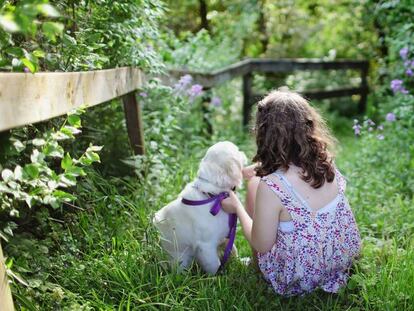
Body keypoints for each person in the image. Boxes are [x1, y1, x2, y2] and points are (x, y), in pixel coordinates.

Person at [222, 89, 361, 296]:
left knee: (254, 185)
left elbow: (262, 244)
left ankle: (256, 265)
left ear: (264, 133)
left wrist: (238, 208)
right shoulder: (326, 163)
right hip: (341, 260)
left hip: (300, 276)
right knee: (260, 183)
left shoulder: (271, 186)